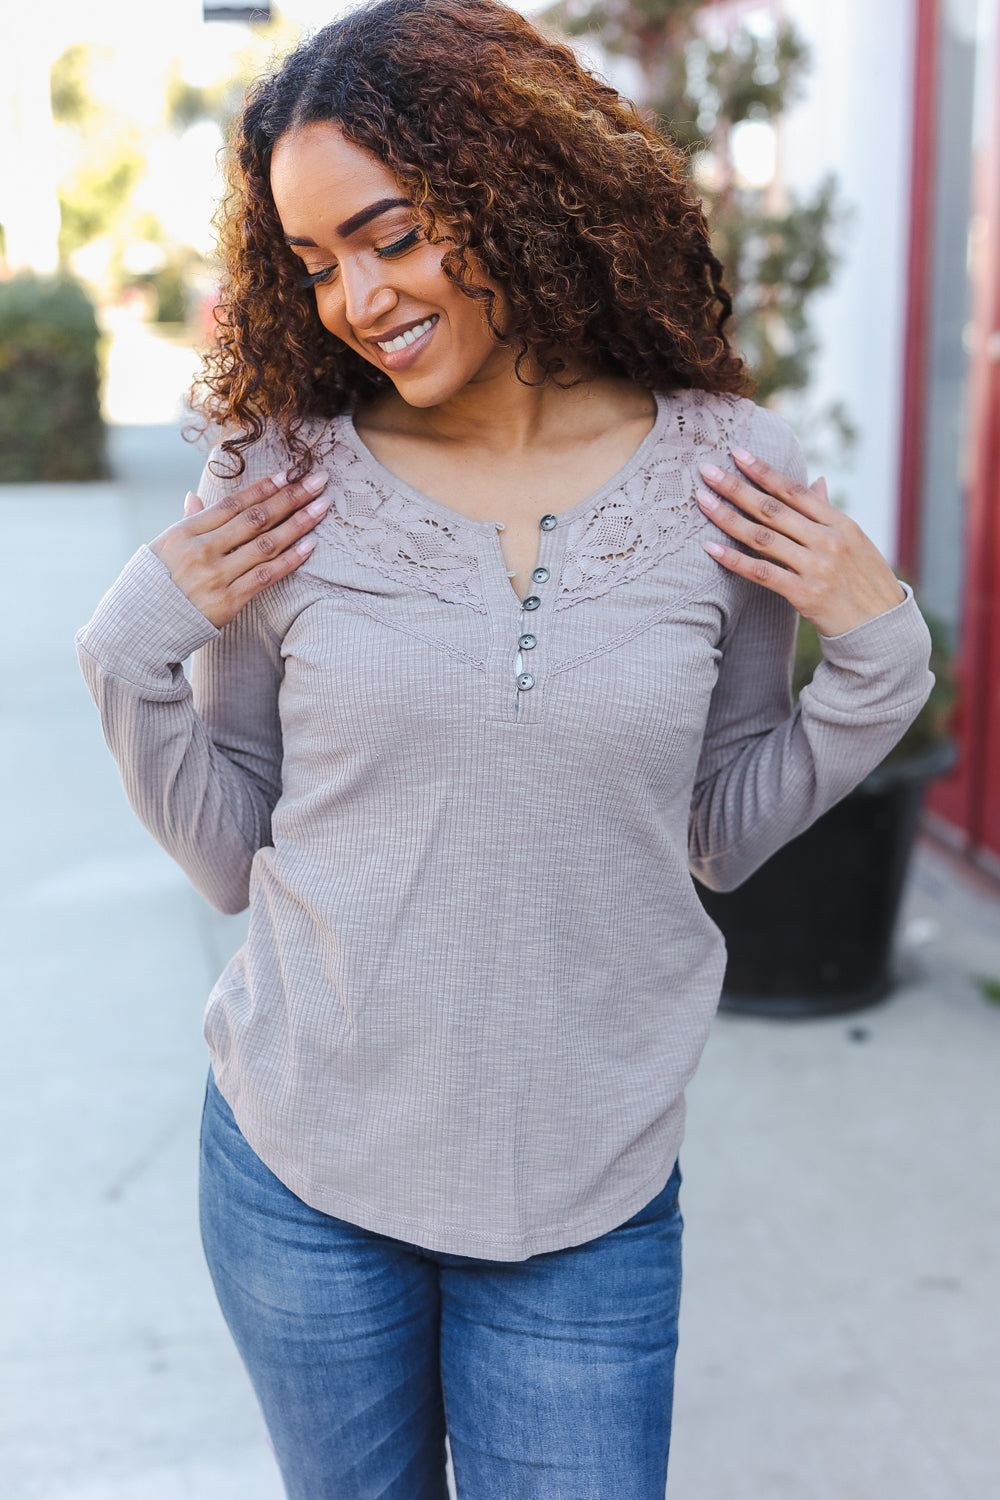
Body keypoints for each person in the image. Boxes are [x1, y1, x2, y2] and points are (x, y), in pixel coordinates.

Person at [76, 2, 933, 1495]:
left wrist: (879, 663)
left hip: (587, 1203)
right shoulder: (276, 479)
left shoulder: (731, 472)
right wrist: (131, 640)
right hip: (302, 1179)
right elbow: (230, 853)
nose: (355, 295)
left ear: (515, 185)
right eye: (315, 259)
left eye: (391, 233)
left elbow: (722, 830)